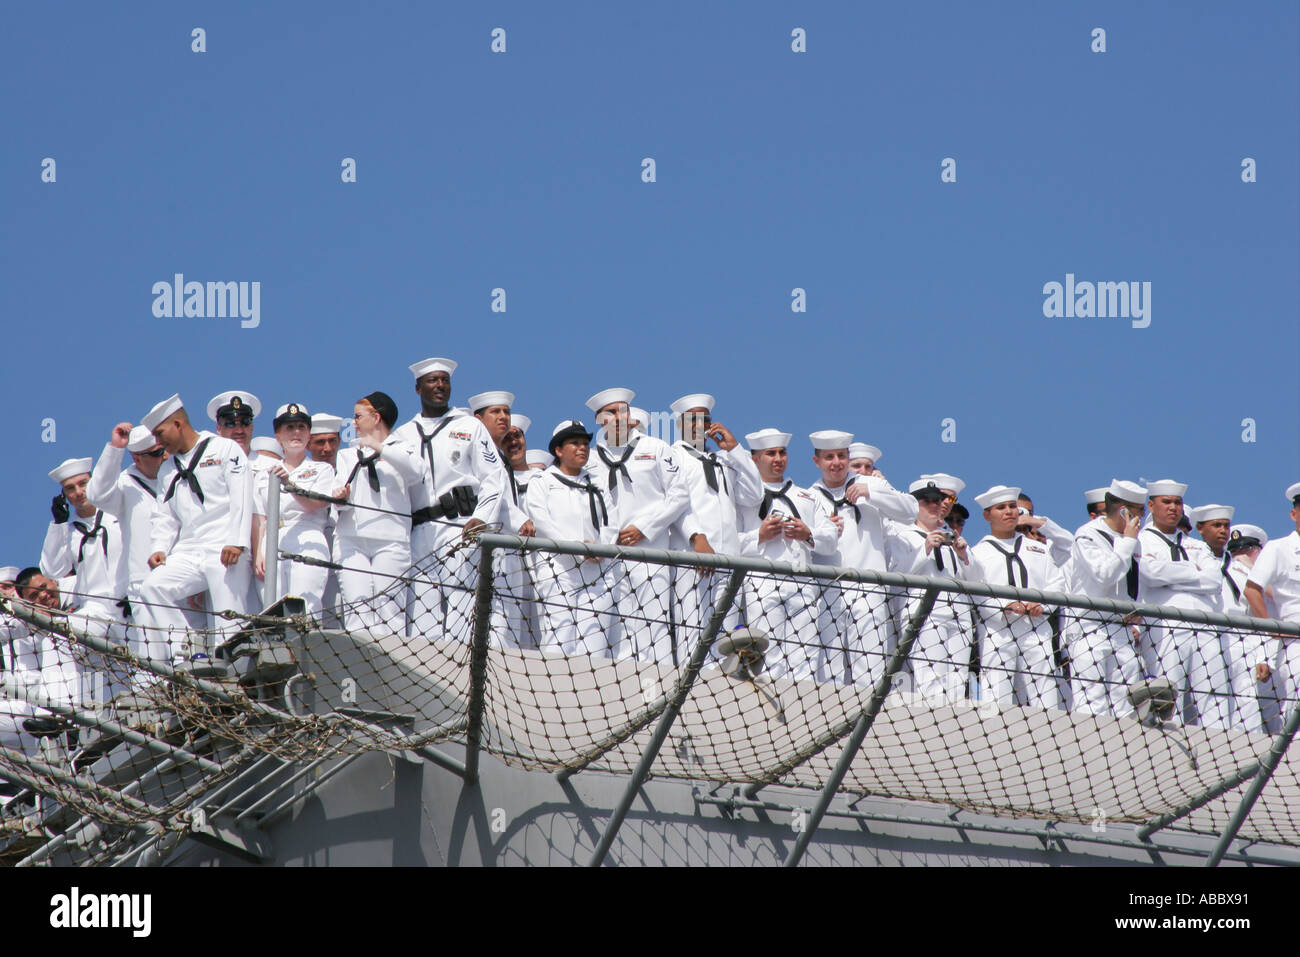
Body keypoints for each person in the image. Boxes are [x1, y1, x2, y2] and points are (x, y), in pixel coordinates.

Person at [136, 394, 255, 665]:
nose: (158, 442)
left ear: (178, 424)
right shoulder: (167, 469)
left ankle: (236, 672)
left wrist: (236, 540)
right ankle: (187, 648)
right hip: (189, 548)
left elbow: (242, 496)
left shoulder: (224, 449)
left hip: (223, 543)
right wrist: (159, 548)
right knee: (153, 587)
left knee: (228, 617)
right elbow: (164, 515)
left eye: (160, 433)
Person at [392, 358, 505, 642]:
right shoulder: (402, 435)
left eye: (445, 380)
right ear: (418, 388)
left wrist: (482, 517)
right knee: (422, 610)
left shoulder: (468, 426)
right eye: (432, 381)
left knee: (462, 604)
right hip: (420, 530)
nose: (440, 386)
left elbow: (494, 476)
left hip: (461, 525)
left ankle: (463, 677)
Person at [583, 388, 690, 664]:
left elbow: (679, 495)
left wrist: (644, 527)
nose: (619, 417)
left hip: (649, 553)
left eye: (624, 410)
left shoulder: (655, 448)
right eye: (612, 412)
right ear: (599, 420)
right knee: (612, 630)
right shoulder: (591, 460)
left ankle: (662, 691)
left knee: (654, 628)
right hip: (607, 559)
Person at [807, 430, 918, 686]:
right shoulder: (809, 496)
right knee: (829, 667)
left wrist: (871, 492)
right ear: (817, 462)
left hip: (868, 589)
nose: (836, 462)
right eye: (829, 457)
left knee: (870, 667)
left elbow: (911, 511)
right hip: (828, 590)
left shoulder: (871, 484)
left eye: (841, 456)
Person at [737, 429, 838, 682]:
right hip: (763, 582)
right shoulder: (744, 497)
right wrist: (759, 536)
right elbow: (727, 542)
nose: (778, 458)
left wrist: (807, 533)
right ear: (755, 459)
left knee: (805, 651)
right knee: (767, 650)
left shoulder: (808, 496)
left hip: (802, 580)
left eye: (782, 452)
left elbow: (831, 539)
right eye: (770, 453)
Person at [666, 393, 763, 646]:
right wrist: (697, 537)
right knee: (693, 632)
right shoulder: (673, 457)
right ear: (679, 425)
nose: (699, 425)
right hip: (693, 556)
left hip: (728, 558)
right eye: (692, 420)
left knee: (725, 638)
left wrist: (736, 450)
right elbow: (675, 505)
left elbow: (754, 495)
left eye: (705, 420)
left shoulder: (723, 460)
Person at [1137, 480, 1231, 729]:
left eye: (1177, 502)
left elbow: (1213, 580)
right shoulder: (1143, 541)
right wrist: (1193, 570)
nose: (1173, 508)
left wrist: (1173, 576)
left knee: (1214, 691)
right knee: (1168, 688)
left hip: (1204, 623)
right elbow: (1150, 574)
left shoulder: (1198, 545)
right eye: (1166, 502)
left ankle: (1218, 741)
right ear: (1151, 505)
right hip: (1165, 624)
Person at [525, 421, 619, 657]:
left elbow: (612, 521)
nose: (582, 448)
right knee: (560, 634)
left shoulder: (596, 483)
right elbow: (542, 521)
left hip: (596, 567)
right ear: (558, 450)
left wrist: (603, 548)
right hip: (558, 567)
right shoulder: (542, 482)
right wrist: (579, 548)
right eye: (574, 443)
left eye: (585, 444)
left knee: (595, 639)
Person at [969, 485, 1068, 711]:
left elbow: (1057, 582)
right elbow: (976, 590)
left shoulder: (1037, 548)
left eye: (1012, 506)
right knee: (997, 686)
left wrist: (1042, 604)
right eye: (1001, 507)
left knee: (1044, 687)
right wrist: (1004, 606)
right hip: (998, 629)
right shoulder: (979, 552)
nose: (1009, 512)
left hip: (1036, 626)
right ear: (987, 515)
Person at [331, 393, 424, 634]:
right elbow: (339, 499)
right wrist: (340, 497)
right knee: (356, 609)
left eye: (358, 416)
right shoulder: (347, 454)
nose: (353, 422)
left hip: (390, 540)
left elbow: (415, 472)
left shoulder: (403, 448)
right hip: (352, 539)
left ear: (376, 417)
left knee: (389, 611)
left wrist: (379, 447)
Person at [883, 479, 979, 704]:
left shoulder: (952, 538)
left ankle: (952, 719)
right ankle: (933, 722)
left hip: (958, 614)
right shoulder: (903, 534)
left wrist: (964, 555)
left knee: (957, 677)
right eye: (928, 501)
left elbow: (976, 580)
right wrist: (925, 547)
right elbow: (897, 575)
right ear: (914, 504)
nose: (935, 506)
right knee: (930, 676)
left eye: (938, 501)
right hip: (925, 612)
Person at [1066, 479, 1147, 718]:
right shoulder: (1088, 534)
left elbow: (1133, 580)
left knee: (1125, 705)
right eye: (1139, 511)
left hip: (1121, 627)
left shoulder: (1133, 540)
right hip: (1090, 626)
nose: (1143, 516)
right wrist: (1127, 542)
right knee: (1091, 703)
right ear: (1124, 511)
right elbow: (1105, 575)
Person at [469, 391, 538, 649]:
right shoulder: (477, 450)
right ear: (478, 419)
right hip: (485, 546)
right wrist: (521, 519)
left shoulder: (500, 459)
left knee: (509, 623)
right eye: (496, 412)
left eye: (506, 412)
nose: (503, 417)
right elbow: (495, 499)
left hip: (507, 551)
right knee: (487, 620)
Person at [253, 404, 337, 616]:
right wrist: (258, 553)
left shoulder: (321, 469)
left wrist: (289, 484)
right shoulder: (264, 473)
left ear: (309, 435)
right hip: (272, 540)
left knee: (305, 607)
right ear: (278, 435)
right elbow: (260, 518)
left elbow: (315, 504)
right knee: (271, 611)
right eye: (289, 427)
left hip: (308, 535)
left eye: (301, 427)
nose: (296, 432)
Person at [1245, 483, 1300, 729]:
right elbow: (1252, 588)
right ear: (1293, 514)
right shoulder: (1279, 548)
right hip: (1295, 640)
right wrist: (1272, 629)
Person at [1221, 523, 1274, 734]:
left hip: (1257, 644)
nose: (1241, 555)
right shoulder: (1238, 572)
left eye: (1246, 550)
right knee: (1247, 708)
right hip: (1243, 643)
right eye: (1236, 551)